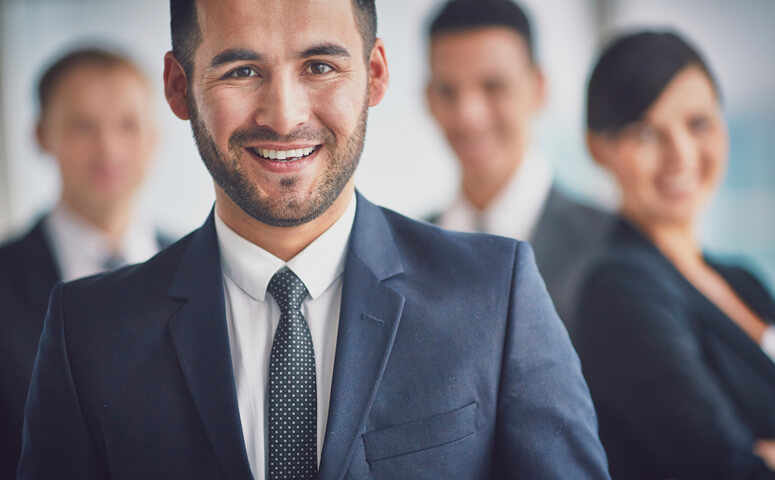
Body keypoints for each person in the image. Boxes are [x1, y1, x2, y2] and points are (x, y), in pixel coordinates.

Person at [17, 0, 610, 478]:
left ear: (375, 73)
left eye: (320, 66)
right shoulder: (86, 333)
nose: (283, 114)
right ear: (178, 86)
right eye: (241, 70)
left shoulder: (494, 296)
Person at [574, 30, 775, 479]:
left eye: (698, 123)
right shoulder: (619, 286)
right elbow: (724, 468)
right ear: (598, 149)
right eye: (647, 132)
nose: (681, 154)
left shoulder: (742, 279)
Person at [0, 47, 170, 479]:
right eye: (82, 126)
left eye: (128, 125)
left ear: (154, 137)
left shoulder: (205, 266)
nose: (108, 148)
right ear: (41, 134)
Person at [425, 0, 612, 327]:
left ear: (538, 88)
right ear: (429, 99)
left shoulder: (611, 243)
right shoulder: (404, 251)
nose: (468, 115)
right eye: (448, 90)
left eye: (493, 86)